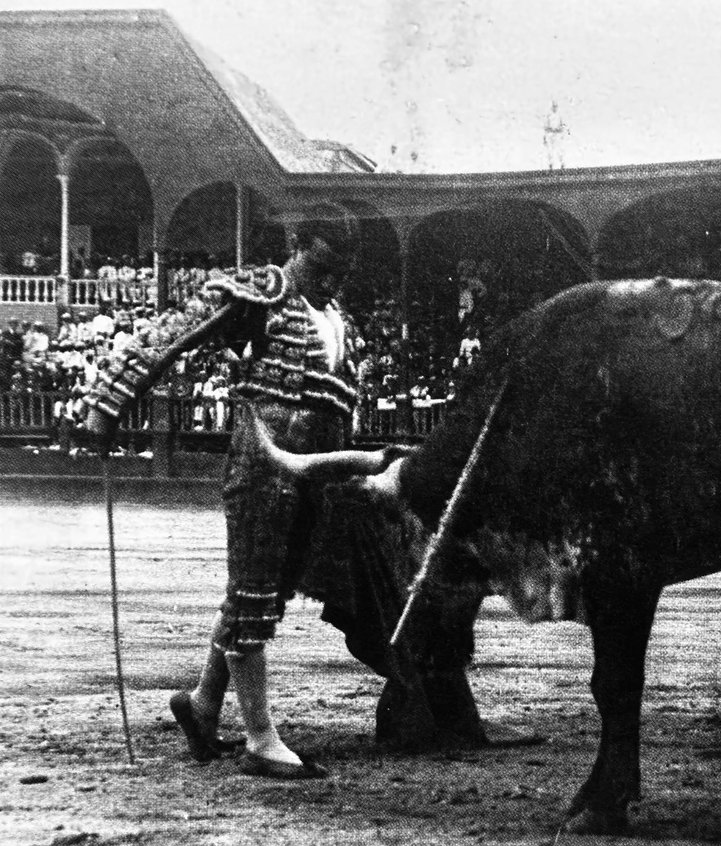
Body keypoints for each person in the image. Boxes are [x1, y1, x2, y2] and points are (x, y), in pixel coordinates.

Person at [85, 218, 483, 778]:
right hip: (264, 464)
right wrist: (109, 404)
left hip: (318, 474)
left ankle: (202, 707)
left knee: (261, 595)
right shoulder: (262, 292)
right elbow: (173, 333)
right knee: (252, 592)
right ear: (296, 247)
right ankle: (260, 739)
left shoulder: (338, 318)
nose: (329, 281)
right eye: (320, 267)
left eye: (339, 273)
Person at [543, 99, 569, 170]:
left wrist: (559, 131)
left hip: (557, 135)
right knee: (550, 151)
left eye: (556, 106)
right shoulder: (549, 116)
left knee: (559, 150)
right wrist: (546, 136)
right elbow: (545, 127)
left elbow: (563, 126)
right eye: (553, 106)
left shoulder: (560, 116)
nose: (554, 108)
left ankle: (562, 165)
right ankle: (551, 166)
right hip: (550, 135)